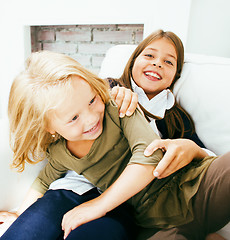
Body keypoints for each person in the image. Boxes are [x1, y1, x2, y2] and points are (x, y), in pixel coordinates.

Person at [1, 50, 229, 240]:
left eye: (92, 100)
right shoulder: (60, 153)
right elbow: (43, 180)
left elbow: (149, 157)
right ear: (49, 128)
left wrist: (99, 205)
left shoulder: (118, 108)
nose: (91, 118)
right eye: (73, 118)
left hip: (195, 184)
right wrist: (20, 213)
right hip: (155, 222)